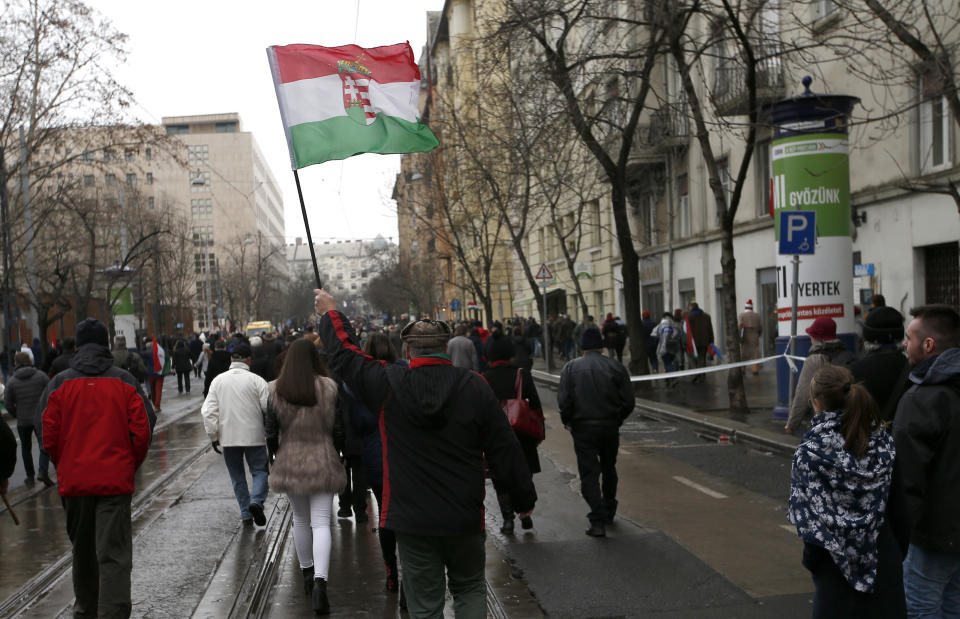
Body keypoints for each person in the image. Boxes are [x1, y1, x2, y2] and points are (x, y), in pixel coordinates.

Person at [315, 288, 535, 617]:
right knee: (470, 588)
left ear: (407, 348)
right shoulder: (474, 385)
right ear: (445, 347)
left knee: (425, 604)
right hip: (463, 516)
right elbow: (505, 447)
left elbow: (346, 357)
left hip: (412, 520)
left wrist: (329, 314)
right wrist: (522, 500)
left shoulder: (388, 384)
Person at [39, 318, 155, 619]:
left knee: (83, 552)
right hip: (114, 480)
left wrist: (63, 462)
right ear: (106, 344)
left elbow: (47, 433)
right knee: (113, 554)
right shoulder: (125, 381)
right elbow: (143, 429)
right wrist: (129, 462)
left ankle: (85, 611)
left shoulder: (59, 383)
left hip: (75, 481)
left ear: (77, 345)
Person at [788, 365, 906, 618]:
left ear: (817, 402)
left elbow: (811, 524)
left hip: (834, 567)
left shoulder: (811, 452)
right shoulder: (883, 443)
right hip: (883, 561)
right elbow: (899, 511)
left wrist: (814, 563)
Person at [265, 338, 346, 615]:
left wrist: (275, 456)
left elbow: (270, 431)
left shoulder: (276, 389)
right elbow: (338, 429)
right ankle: (322, 585)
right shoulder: (328, 387)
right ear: (315, 358)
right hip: (322, 458)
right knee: (322, 522)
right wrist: (339, 453)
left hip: (290, 460)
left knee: (300, 519)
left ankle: (307, 575)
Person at [892, 304, 960, 617]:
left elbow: (907, 476)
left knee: (920, 607)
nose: (905, 344)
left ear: (928, 344)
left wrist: (900, 534)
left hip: (935, 533)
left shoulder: (923, 398)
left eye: (909, 338)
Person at [558, 327, 635, 537]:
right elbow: (629, 401)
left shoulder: (571, 368)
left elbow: (564, 401)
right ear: (601, 347)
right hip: (609, 426)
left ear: (582, 348)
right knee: (609, 467)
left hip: (583, 427)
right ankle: (609, 508)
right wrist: (617, 418)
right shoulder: (616, 367)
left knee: (589, 474)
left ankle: (598, 518)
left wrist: (568, 421)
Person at [348, 332, 404, 595]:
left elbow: (357, 423)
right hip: (404, 455)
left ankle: (391, 573)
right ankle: (410, 580)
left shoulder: (357, 383)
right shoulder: (403, 374)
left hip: (374, 454)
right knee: (407, 517)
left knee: (385, 515)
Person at [201, 342, 271, 526]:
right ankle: (256, 501)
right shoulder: (257, 381)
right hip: (254, 435)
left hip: (229, 437)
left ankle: (245, 513)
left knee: (237, 476)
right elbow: (268, 407)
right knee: (259, 471)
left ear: (231, 359)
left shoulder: (218, 381)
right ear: (249, 360)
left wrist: (213, 436)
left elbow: (208, 412)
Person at [483, 334, 542, 535]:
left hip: (495, 437)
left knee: (501, 478)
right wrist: (536, 435)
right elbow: (535, 405)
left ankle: (508, 519)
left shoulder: (483, 378)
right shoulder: (521, 375)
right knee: (523, 474)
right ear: (511, 355)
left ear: (489, 356)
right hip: (522, 434)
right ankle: (525, 514)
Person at [785, 317, 856, 434]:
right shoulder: (848, 356)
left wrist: (791, 424)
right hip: (848, 420)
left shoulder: (814, 360)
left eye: (811, 334)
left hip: (823, 424)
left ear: (817, 337)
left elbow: (802, 395)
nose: (810, 337)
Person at [849, 306, 910, 424]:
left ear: (868, 336)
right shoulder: (913, 367)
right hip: (905, 437)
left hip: (871, 437)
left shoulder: (856, 370)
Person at [5, 351, 53, 487]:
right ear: (30, 361)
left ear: (16, 363)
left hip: (23, 420)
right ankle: (42, 471)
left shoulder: (12, 381)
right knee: (44, 445)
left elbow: (8, 403)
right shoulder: (41, 377)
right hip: (40, 417)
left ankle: (30, 476)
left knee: (25, 449)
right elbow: (51, 393)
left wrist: (16, 414)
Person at [685, 302, 714, 383]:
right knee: (702, 358)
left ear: (691, 308)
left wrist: (686, 342)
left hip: (693, 342)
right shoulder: (707, 316)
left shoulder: (689, 317)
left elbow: (686, 331)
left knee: (693, 359)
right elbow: (710, 330)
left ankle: (695, 374)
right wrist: (711, 341)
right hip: (704, 342)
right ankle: (702, 375)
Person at [738, 300, 762, 375]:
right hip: (755, 337)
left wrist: (739, 337)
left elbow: (739, 326)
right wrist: (758, 334)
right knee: (755, 354)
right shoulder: (757, 316)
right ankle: (755, 370)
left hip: (745, 337)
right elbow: (760, 327)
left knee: (743, 354)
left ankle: (742, 369)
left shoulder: (741, 315)